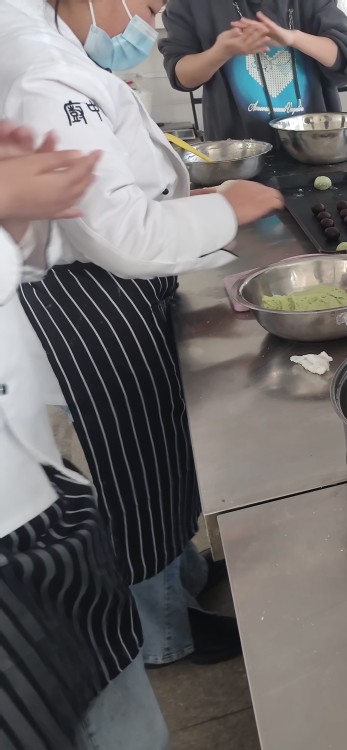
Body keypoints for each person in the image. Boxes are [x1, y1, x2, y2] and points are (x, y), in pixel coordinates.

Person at [0, 0, 284, 667]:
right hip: (90, 305)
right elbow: (120, 238)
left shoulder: (53, 48)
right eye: (149, 4)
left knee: (161, 454)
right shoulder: (42, 70)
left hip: (104, 293)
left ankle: (183, 577)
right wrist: (225, 209)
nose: (150, 20)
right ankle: (164, 635)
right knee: (136, 476)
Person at [0, 122, 169, 749]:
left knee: (117, 699)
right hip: (10, 534)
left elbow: (21, 262)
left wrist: (18, 219)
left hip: (38, 492)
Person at [160, 0, 347, 144]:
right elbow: (181, 76)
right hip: (236, 153)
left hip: (317, 146)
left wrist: (294, 38)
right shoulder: (189, 5)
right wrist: (220, 53)